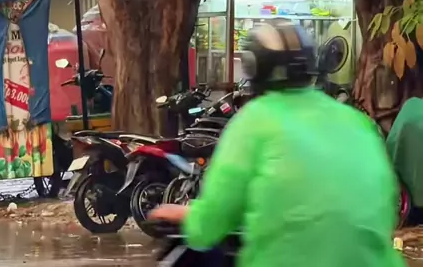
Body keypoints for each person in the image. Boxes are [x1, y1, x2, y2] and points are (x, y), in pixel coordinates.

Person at [151, 18, 403, 267]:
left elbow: (211, 222)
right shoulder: (356, 122)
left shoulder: (254, 121)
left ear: (253, 67)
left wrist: (187, 216)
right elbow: (386, 205)